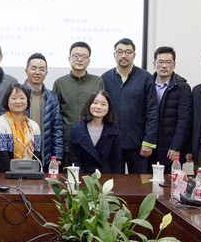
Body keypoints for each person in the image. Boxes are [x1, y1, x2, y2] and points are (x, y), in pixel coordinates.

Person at [101, 38, 157, 174]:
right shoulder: (105, 78)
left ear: (134, 55)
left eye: (128, 52)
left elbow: (152, 111)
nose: (124, 55)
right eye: (120, 52)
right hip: (112, 141)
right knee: (113, 182)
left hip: (138, 143)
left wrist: (148, 141)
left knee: (140, 183)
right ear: (114, 54)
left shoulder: (145, 78)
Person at [52, 42, 103, 166]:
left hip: (93, 141)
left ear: (89, 61)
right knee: (67, 177)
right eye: (76, 55)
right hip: (67, 142)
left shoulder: (97, 81)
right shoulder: (60, 83)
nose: (80, 59)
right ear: (69, 58)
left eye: (84, 56)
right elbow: (55, 116)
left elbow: (103, 109)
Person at [152, 46, 192, 166]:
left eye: (168, 62)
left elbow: (184, 120)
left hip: (171, 148)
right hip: (150, 147)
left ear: (174, 65)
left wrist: (176, 146)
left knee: (171, 178)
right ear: (154, 64)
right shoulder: (147, 84)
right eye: (160, 62)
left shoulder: (182, 87)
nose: (164, 66)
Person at [22, 53, 63, 172]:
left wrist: (58, 156)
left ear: (46, 73)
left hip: (45, 155)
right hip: (21, 153)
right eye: (33, 68)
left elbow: (57, 129)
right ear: (26, 71)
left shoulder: (52, 97)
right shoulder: (17, 95)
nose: (37, 72)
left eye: (41, 69)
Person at [0, 83, 41, 172]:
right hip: (1, 174)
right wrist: (17, 174)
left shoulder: (34, 126)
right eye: (14, 98)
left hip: (29, 174)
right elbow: (2, 157)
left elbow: (36, 156)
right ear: (7, 101)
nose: (18, 101)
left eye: (22, 98)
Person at [68, 90, 122, 174]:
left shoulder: (113, 131)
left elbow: (116, 161)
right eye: (95, 103)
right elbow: (74, 159)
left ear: (108, 108)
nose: (98, 107)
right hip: (83, 176)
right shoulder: (76, 130)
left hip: (106, 177)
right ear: (89, 105)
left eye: (103, 104)